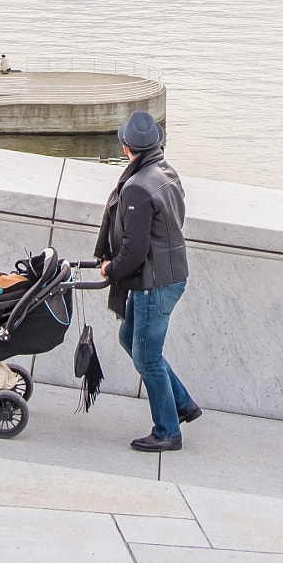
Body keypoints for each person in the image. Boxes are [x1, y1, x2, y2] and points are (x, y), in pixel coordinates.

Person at [95, 110, 198, 451]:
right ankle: (181, 403)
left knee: (148, 358)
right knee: (130, 339)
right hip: (169, 274)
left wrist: (110, 269)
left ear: (126, 146)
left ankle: (168, 431)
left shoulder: (138, 188)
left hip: (154, 283)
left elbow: (134, 250)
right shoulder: (165, 171)